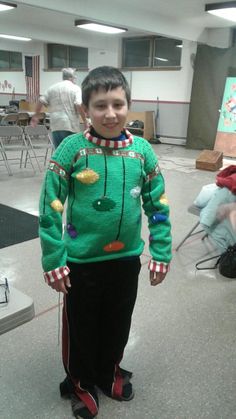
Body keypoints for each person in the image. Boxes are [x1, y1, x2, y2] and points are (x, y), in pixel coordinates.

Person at [38, 66, 172, 419]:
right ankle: (81, 381)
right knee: (81, 327)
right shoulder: (72, 149)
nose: (110, 114)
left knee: (118, 321)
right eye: (100, 106)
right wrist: (53, 258)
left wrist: (160, 251)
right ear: (85, 110)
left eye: (117, 104)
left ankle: (108, 369)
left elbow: (157, 205)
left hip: (126, 259)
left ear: (129, 105)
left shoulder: (143, 151)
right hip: (80, 262)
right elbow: (51, 206)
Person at [37, 67, 86, 148]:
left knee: (59, 151)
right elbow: (78, 104)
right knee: (71, 151)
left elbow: (41, 100)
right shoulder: (75, 88)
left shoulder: (52, 88)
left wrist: (36, 115)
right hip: (70, 125)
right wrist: (85, 120)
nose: (75, 79)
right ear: (71, 78)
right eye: (75, 77)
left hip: (55, 125)